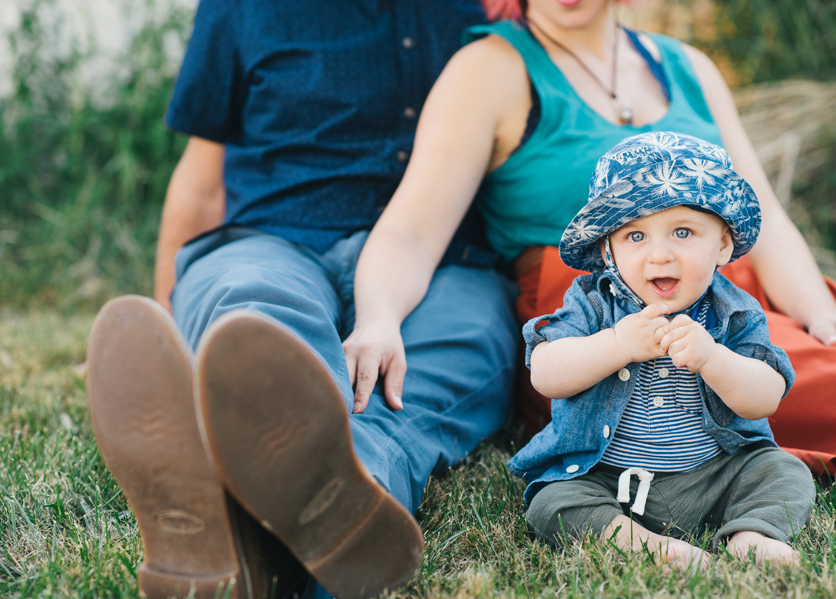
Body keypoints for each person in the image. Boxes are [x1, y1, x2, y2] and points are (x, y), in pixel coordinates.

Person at [357, 0, 836, 489]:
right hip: (605, 311)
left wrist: (818, 311)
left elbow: (767, 216)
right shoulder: (490, 69)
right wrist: (378, 317)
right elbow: (411, 227)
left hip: (727, 287)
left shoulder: (688, 66)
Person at [86, 2, 518, 599]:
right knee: (252, 317)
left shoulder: (491, 7)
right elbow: (201, 176)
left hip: (441, 258)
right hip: (274, 237)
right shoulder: (238, 8)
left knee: (448, 352)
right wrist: (168, 330)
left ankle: (265, 521)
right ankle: (323, 508)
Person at [508, 131, 815, 569]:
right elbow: (546, 373)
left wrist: (713, 359)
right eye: (635, 237)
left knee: (784, 471)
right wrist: (616, 344)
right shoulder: (592, 304)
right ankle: (648, 546)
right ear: (607, 249)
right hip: (605, 478)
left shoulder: (733, 312)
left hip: (714, 474)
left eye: (684, 232)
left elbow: (766, 396)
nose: (660, 255)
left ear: (723, 244)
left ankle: (752, 534)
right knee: (552, 502)